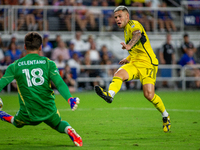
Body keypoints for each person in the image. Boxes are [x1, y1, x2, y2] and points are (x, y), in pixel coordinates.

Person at [94, 6, 171, 133]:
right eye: (115, 17)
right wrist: (128, 57)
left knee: (149, 95)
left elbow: (138, 35)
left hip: (147, 64)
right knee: (118, 73)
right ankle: (110, 95)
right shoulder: (124, 30)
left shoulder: (133, 24)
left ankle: (165, 115)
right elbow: (138, 48)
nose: (117, 19)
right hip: (135, 62)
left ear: (127, 17)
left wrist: (129, 45)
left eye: (120, 16)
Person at [0, 32, 83, 147]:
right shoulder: (48, 63)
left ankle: (1, 114)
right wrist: (69, 99)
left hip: (29, 112)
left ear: (24, 47)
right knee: (58, 124)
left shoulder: (15, 66)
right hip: (48, 108)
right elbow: (59, 83)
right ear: (40, 47)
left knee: (16, 123)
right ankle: (68, 129)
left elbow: (2, 83)